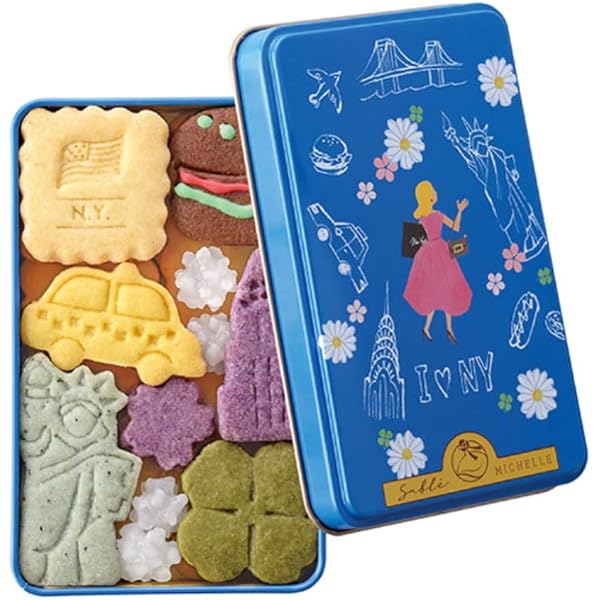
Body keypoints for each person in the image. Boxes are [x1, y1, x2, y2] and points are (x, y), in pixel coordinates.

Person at [403, 180, 472, 343]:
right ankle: (448, 329)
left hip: (428, 253)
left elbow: (416, 237)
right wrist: (459, 211)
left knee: (433, 291)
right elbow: (456, 227)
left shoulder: (421, 217)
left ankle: (428, 328)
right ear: (430, 196)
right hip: (441, 252)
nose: (435, 192)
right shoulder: (437, 215)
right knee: (447, 289)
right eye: (433, 190)